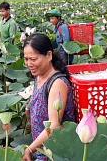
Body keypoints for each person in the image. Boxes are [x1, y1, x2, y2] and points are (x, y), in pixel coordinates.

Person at [22, 33, 75, 161]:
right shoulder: (39, 76)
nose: (29, 64)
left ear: (49, 55)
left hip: (55, 154)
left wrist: (29, 149)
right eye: (26, 59)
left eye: (33, 59)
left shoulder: (57, 83)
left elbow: (54, 125)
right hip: (41, 149)